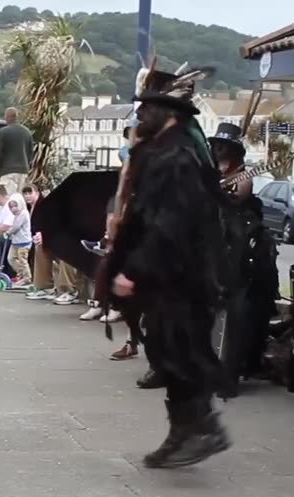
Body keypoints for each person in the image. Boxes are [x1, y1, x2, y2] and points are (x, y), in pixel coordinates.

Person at [104, 62, 230, 468]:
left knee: (180, 352)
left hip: (182, 277)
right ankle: (184, 433)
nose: (140, 114)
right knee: (167, 350)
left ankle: (203, 429)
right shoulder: (161, 150)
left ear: (169, 112)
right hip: (172, 275)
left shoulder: (176, 156)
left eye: (148, 108)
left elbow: (169, 222)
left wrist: (133, 270)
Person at [209, 122, 278, 395]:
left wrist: (219, 188)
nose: (218, 149)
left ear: (235, 149)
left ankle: (231, 372)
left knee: (237, 313)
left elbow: (239, 196)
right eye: (215, 145)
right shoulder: (211, 173)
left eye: (223, 145)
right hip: (214, 249)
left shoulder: (245, 174)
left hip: (242, 252)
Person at [0, 107, 34, 194]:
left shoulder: (2, 132)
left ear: (7, 116)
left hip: (7, 171)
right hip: (23, 171)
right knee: (20, 200)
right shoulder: (27, 132)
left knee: (8, 200)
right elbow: (30, 153)